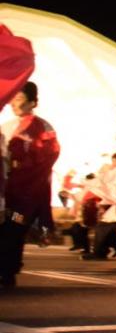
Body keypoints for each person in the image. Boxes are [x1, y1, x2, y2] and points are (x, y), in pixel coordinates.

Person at [1, 80, 60, 288]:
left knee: (14, 228)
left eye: (19, 99)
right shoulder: (6, 128)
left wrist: (23, 166)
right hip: (5, 193)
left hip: (26, 196)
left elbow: (49, 155)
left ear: (33, 102)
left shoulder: (43, 127)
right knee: (7, 230)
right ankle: (10, 268)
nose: (13, 104)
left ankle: (8, 272)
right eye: (12, 99)